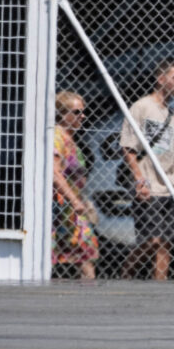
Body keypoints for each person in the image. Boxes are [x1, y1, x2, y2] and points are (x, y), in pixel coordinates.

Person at [120, 59, 174, 280]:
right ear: (160, 79)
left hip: (169, 186)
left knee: (165, 243)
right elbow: (128, 147)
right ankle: (126, 273)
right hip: (148, 183)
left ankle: (161, 286)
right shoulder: (142, 107)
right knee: (152, 239)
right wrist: (139, 180)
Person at [52, 91, 99, 278]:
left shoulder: (70, 139)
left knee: (86, 253)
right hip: (59, 206)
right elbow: (55, 173)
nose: (83, 116)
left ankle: (89, 299)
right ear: (62, 114)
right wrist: (74, 201)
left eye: (83, 111)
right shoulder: (57, 137)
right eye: (77, 112)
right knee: (55, 254)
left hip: (71, 210)